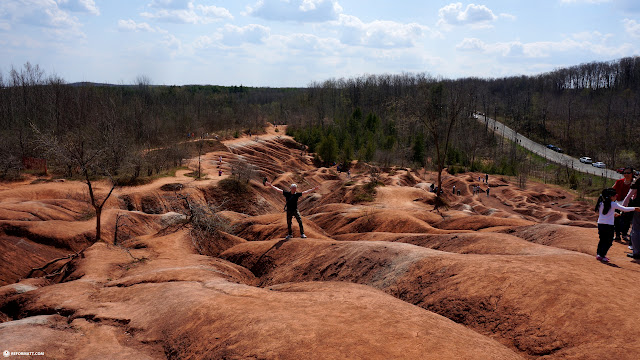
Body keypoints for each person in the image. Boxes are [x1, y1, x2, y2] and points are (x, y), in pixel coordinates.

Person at [596, 188, 640, 262]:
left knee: (602, 240)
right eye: (615, 195)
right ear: (611, 197)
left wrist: (613, 214)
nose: (616, 197)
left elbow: (603, 213)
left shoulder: (601, 203)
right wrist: (635, 208)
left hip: (601, 224)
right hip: (609, 226)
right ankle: (602, 255)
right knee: (609, 241)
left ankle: (599, 254)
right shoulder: (613, 204)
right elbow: (623, 209)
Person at [613, 167, 634, 242]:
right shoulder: (619, 182)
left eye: (628, 173)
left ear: (632, 174)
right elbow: (613, 190)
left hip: (629, 204)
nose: (626, 174)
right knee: (617, 219)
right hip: (618, 203)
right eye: (625, 173)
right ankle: (617, 235)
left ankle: (624, 234)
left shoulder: (634, 183)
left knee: (626, 220)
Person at [623, 177, 640, 258]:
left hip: (638, 207)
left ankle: (636, 252)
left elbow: (630, 193)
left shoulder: (638, 181)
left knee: (636, 229)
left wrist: (624, 205)